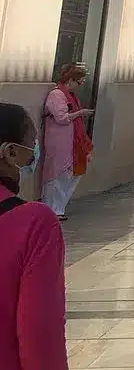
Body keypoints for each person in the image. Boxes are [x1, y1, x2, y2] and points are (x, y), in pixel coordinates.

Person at [0, 102, 69, 370]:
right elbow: (38, 333)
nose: (34, 155)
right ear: (10, 152)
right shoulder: (33, 223)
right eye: (32, 146)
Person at [41, 64, 93, 221]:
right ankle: (53, 208)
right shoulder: (57, 95)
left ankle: (58, 207)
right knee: (58, 174)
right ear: (70, 80)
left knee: (71, 173)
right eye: (79, 82)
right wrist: (79, 114)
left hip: (71, 141)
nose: (80, 85)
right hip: (59, 140)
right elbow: (61, 118)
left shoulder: (71, 96)